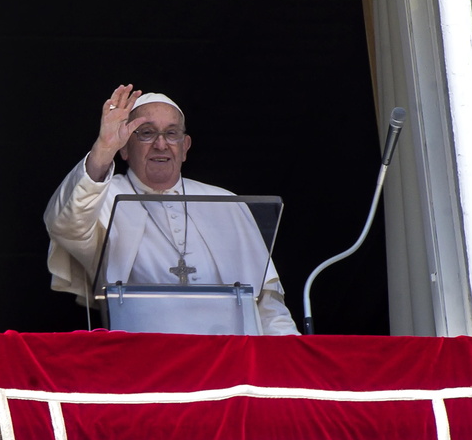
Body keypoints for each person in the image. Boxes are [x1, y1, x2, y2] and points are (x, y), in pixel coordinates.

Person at [44, 84, 299, 335]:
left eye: (171, 133)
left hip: (233, 365)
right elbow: (66, 224)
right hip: (145, 362)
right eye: (146, 133)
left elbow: (268, 305)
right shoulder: (104, 196)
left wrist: (292, 360)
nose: (161, 144)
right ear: (123, 147)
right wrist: (103, 150)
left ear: (185, 146)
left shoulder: (226, 202)